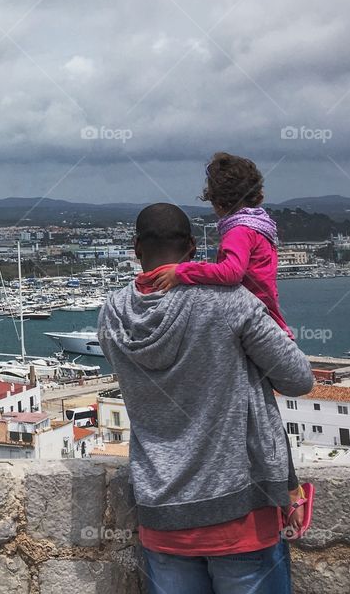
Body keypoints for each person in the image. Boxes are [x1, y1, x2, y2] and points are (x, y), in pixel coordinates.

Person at [98, 203, 314, 594]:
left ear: (136, 249)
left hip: (161, 514)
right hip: (240, 515)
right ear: (194, 249)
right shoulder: (229, 302)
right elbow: (299, 379)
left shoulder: (113, 314)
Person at [151, 152, 308, 530]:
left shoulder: (238, 230)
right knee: (264, 412)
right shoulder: (261, 224)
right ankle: (286, 489)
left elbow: (231, 272)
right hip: (267, 319)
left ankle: (288, 491)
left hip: (254, 325)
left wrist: (183, 271)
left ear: (219, 202)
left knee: (259, 411)